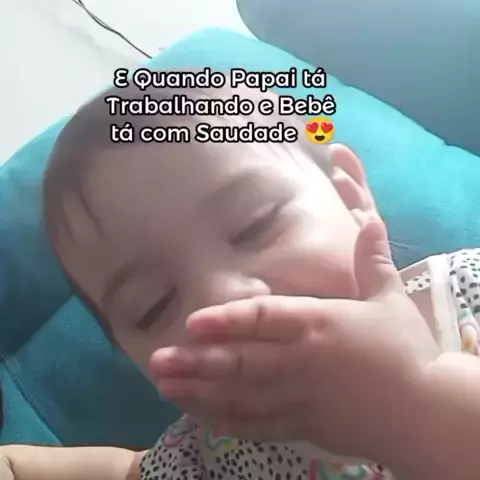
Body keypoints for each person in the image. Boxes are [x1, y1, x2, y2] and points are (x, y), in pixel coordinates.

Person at [2, 78, 480, 480]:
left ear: (350, 196)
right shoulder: (208, 455)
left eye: (255, 224)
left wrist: (412, 395)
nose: (224, 298)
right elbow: (129, 470)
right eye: (153, 305)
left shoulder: (467, 290)